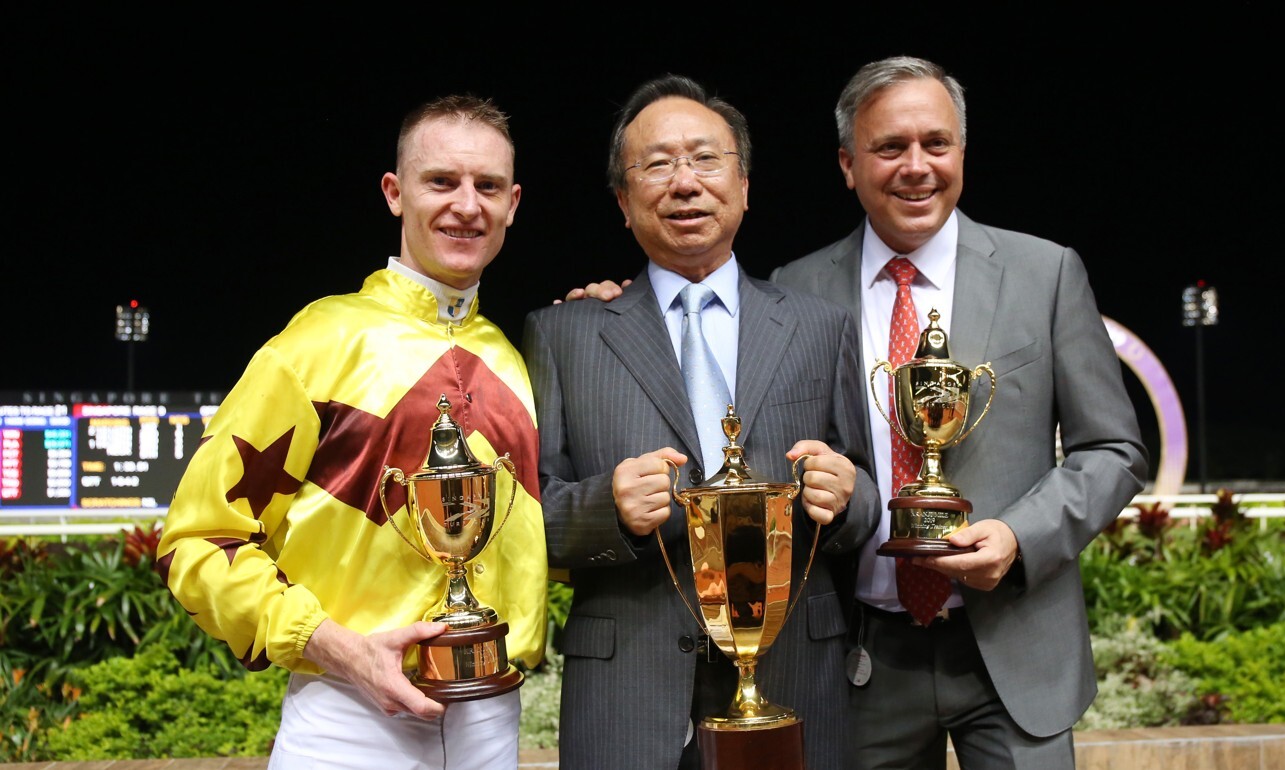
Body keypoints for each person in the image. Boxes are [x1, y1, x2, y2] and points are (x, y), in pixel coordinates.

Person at [770, 56, 1148, 768]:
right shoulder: (795, 293)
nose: (917, 167)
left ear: (962, 153)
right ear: (848, 165)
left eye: (936, 144)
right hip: (862, 657)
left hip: (1015, 649)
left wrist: (1019, 536)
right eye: (890, 148)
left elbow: (1115, 451)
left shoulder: (1046, 274)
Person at [156, 95, 546, 769]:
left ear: (513, 203)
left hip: (493, 711)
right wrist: (336, 647)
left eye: (486, 186)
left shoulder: (513, 359)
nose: (466, 204)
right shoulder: (316, 342)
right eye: (441, 182)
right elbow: (196, 540)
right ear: (395, 193)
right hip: (350, 716)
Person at [522, 74, 880, 770]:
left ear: (744, 185)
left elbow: (866, 504)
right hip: (629, 695)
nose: (684, 183)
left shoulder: (818, 327)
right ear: (624, 204)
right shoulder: (564, 334)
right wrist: (607, 510)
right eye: (656, 164)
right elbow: (523, 520)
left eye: (705, 159)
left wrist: (848, 496)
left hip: (794, 681)